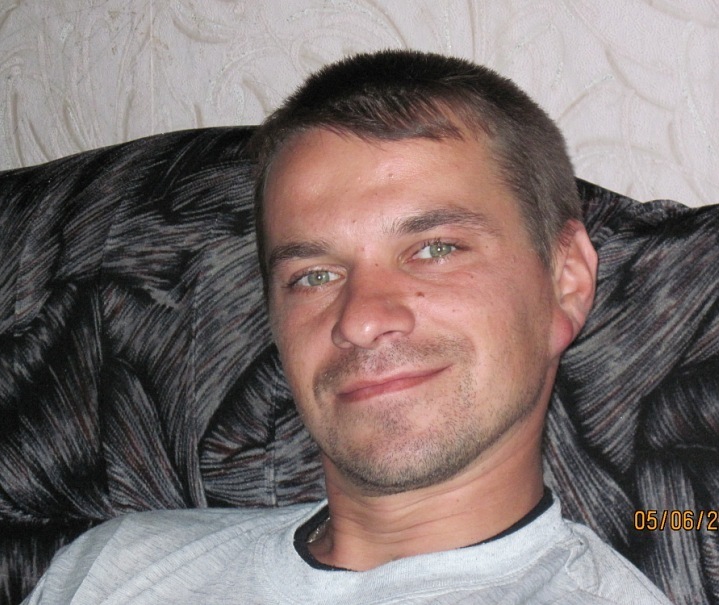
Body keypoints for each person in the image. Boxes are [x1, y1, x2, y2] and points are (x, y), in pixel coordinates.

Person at [23, 50, 672, 604]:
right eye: (314, 275)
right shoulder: (114, 567)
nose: (360, 320)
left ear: (565, 280)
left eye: (434, 248)